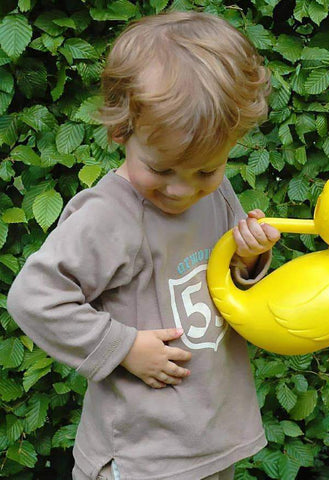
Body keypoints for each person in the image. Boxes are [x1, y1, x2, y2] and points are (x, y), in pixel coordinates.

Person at [7, 10, 281, 480]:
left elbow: (226, 284)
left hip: (211, 435)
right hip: (141, 452)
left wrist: (249, 257)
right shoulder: (108, 216)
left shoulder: (214, 192)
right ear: (121, 132)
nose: (181, 190)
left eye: (205, 169)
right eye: (162, 169)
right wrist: (124, 345)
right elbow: (34, 297)